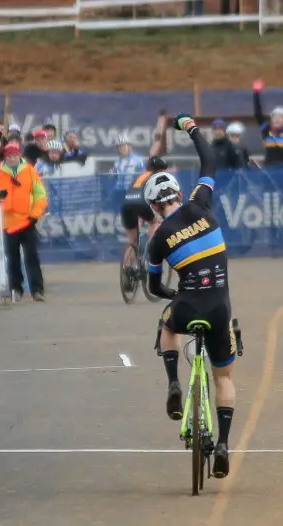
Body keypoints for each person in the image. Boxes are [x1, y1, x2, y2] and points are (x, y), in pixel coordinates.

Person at [145, 113, 237, 479]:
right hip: (218, 307)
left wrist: (173, 294)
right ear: (180, 194)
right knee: (224, 378)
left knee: (167, 324)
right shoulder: (200, 203)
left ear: (154, 207)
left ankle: (172, 383)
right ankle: (225, 443)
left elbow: (153, 288)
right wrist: (190, 128)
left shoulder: (157, 239)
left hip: (186, 305)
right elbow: (210, 161)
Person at [0, 143, 48, 302]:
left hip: (27, 221)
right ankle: (15, 289)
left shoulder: (30, 171)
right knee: (12, 258)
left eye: (15, 155)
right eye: (9, 156)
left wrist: (35, 215)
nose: (12, 158)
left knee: (32, 256)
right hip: (8, 223)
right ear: (5, 157)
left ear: (19, 155)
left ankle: (37, 290)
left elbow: (40, 195)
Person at [119, 156, 168, 262]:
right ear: (159, 169)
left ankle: (128, 269)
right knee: (155, 222)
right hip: (141, 203)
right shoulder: (156, 177)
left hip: (126, 205)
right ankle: (150, 252)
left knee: (132, 242)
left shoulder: (139, 177)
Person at [252, 79, 283, 167]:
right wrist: (256, 94)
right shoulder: (266, 130)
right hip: (269, 171)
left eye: (281, 117)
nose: (277, 119)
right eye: (275, 117)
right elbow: (258, 114)